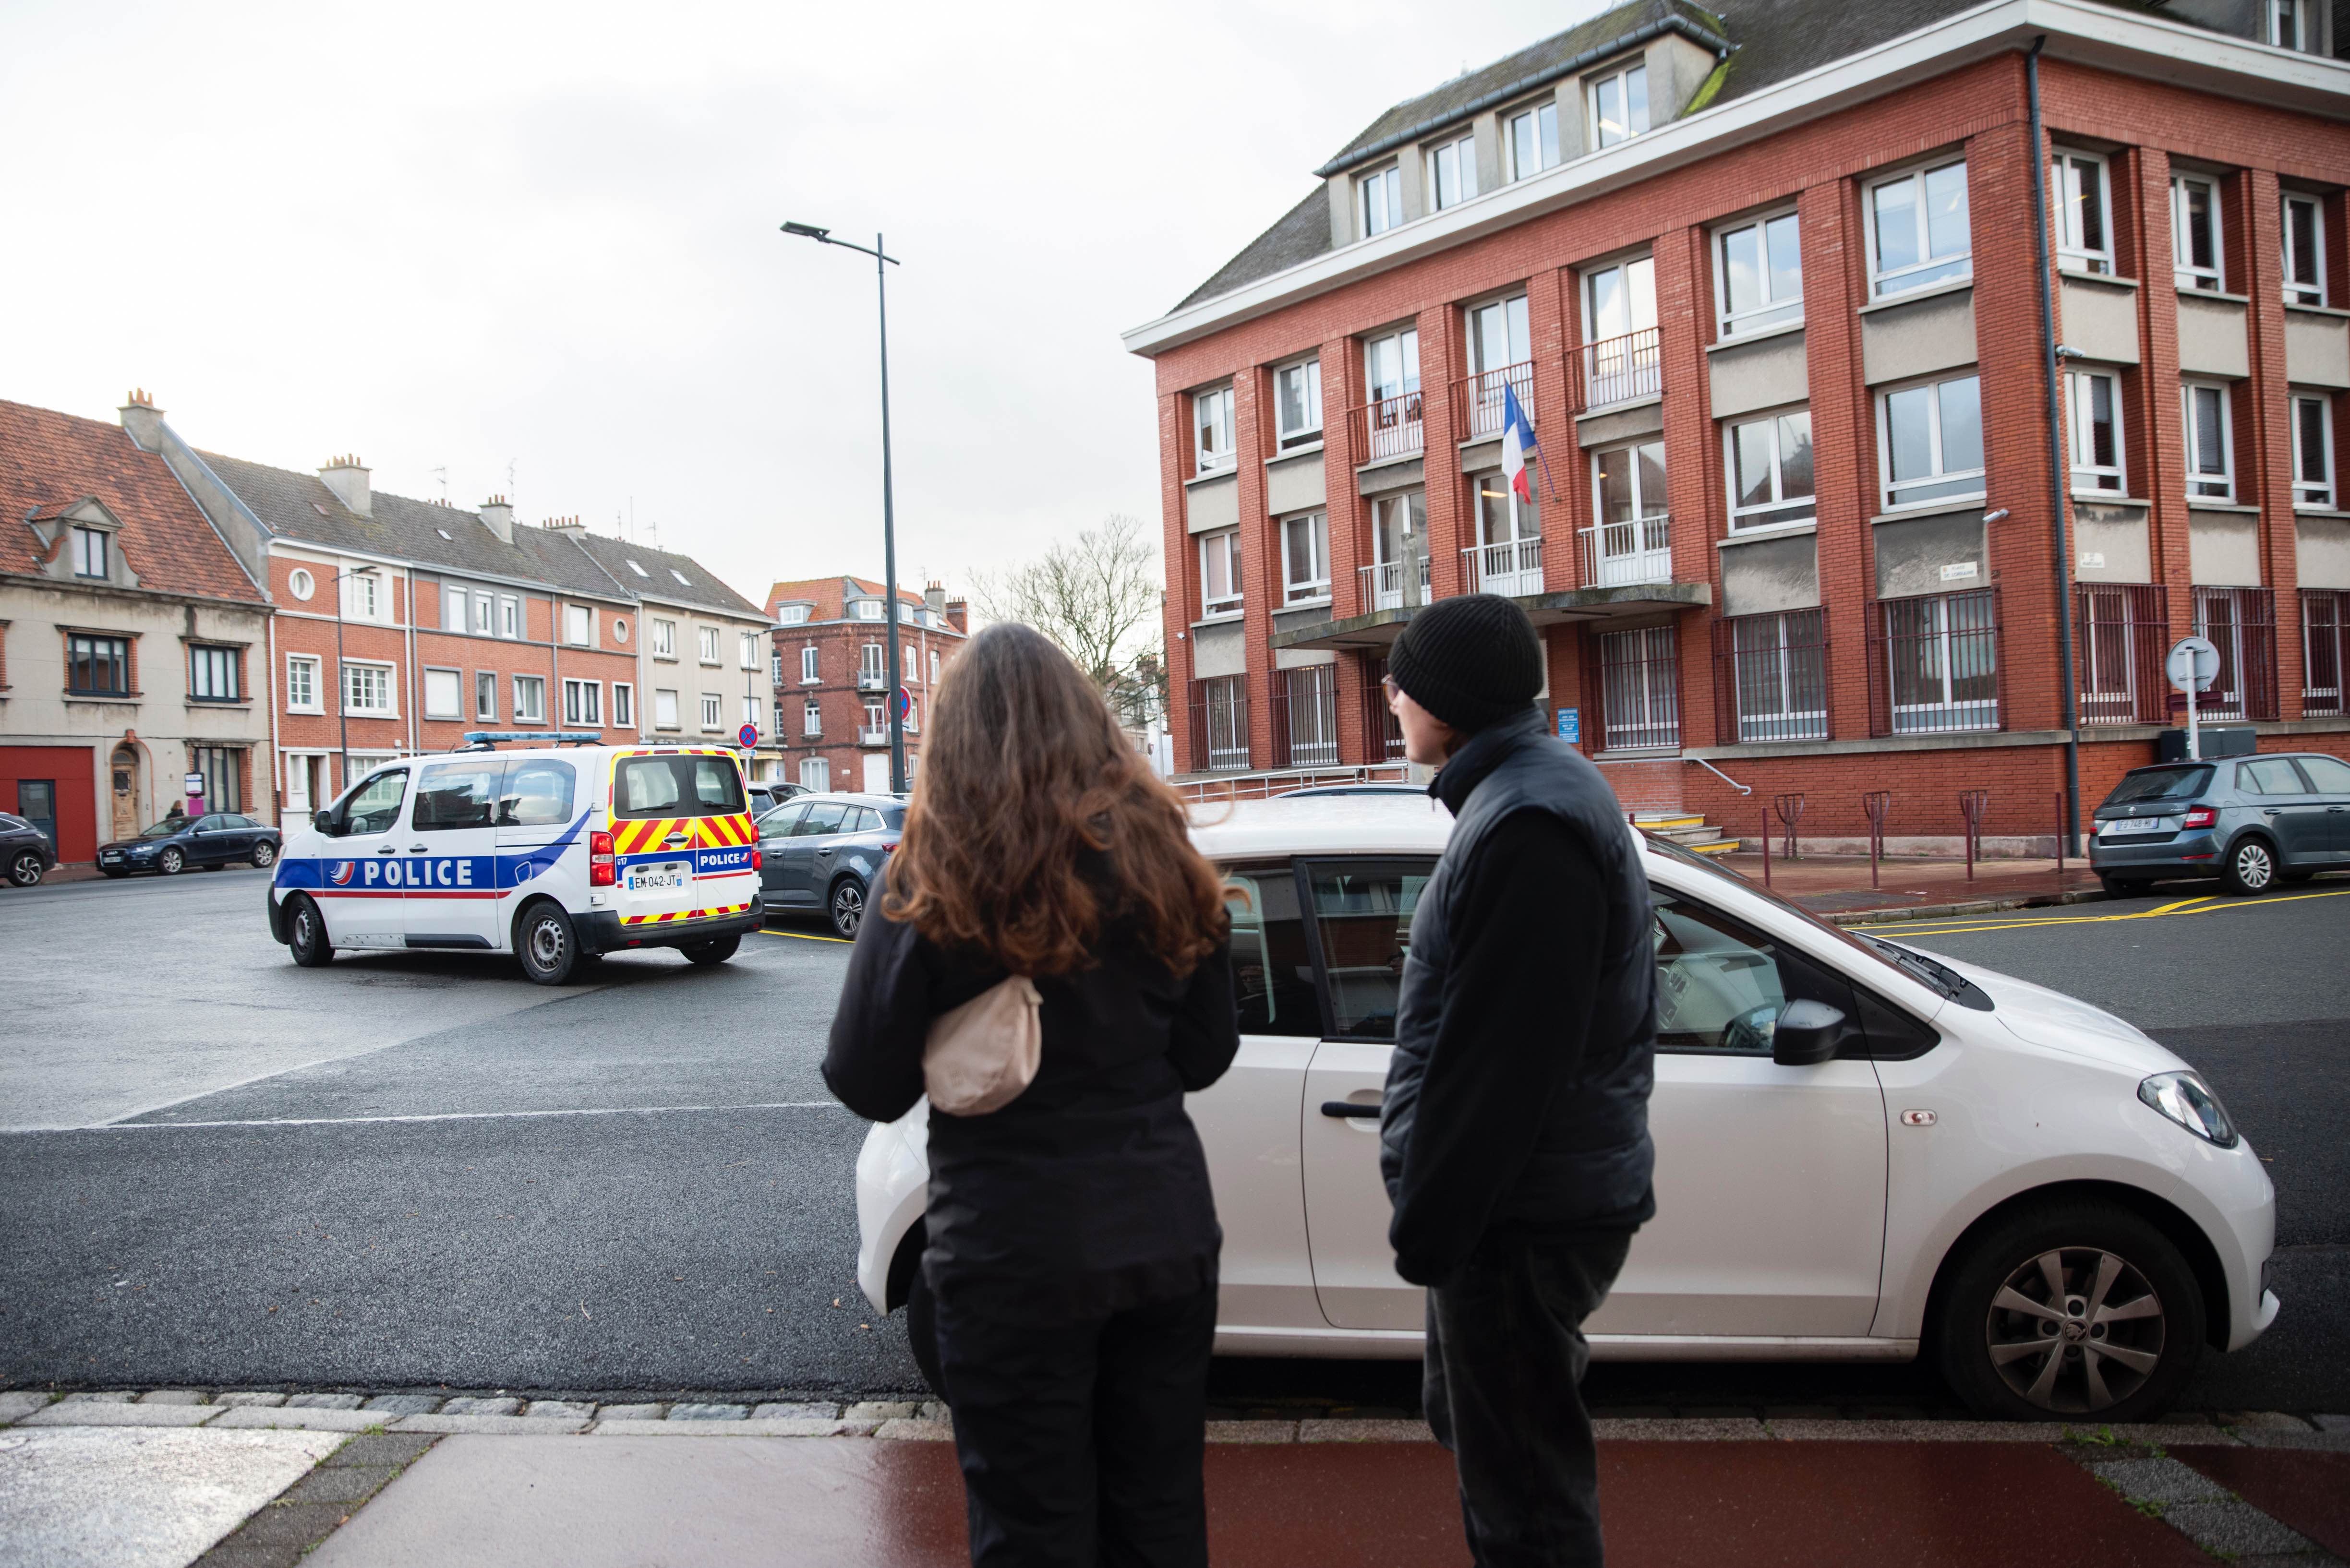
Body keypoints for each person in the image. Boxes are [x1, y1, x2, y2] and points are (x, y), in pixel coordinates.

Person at [825, 622, 1239, 1568]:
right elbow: (1209, 1050)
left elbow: (866, 1078)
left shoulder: (931, 878)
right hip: (1162, 1232)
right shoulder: (1162, 858)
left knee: (1032, 1528)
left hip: (1011, 1252)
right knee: (1162, 1509)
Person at [1376, 594, 1658, 1568]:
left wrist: (1431, 1220)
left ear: (1448, 700)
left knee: (1525, 1498)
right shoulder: (1524, 797)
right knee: (1500, 1454)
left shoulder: (1528, 821)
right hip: (1520, 1206)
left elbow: (1503, 1061)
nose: (1390, 693)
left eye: (1403, 679)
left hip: (1518, 1217)